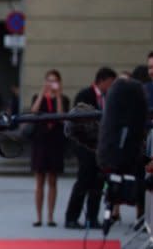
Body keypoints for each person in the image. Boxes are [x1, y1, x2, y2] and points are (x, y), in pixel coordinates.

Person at [64, 67, 117, 229]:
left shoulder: (109, 97)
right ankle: (72, 217)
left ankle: (92, 218)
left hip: (100, 146)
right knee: (84, 180)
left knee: (98, 182)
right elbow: (76, 123)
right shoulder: (84, 95)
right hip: (84, 145)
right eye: (110, 82)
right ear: (102, 81)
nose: (112, 86)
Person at [30, 69, 70, 227]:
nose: (52, 84)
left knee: (53, 180)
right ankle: (38, 217)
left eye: (55, 81)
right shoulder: (38, 97)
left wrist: (58, 95)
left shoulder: (63, 99)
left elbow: (61, 116)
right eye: (49, 80)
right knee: (39, 180)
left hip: (55, 142)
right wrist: (42, 93)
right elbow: (33, 112)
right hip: (40, 142)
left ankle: (50, 216)